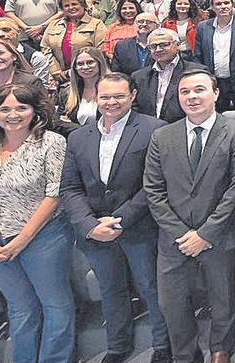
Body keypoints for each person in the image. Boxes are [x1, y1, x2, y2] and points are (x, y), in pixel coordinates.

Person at [0, 82, 75, 363]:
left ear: (35, 111)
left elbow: (54, 194)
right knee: (20, 306)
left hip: (43, 239)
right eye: (5, 108)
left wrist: (22, 240)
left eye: (21, 107)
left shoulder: (51, 142)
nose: (13, 114)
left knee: (55, 304)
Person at [60, 73, 171, 363]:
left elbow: (155, 185)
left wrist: (118, 220)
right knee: (110, 289)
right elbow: (70, 188)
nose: (111, 102)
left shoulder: (153, 129)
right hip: (96, 232)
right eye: (105, 96)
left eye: (119, 96)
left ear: (132, 96)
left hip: (139, 227)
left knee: (150, 287)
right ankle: (118, 345)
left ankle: (163, 345)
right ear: (96, 97)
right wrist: (89, 225)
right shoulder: (78, 137)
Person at [144, 69, 235, 363]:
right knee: (172, 303)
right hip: (174, 239)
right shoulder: (162, 136)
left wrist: (205, 234)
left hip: (219, 234)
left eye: (199, 90)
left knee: (223, 298)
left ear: (215, 94)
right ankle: (185, 353)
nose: (192, 97)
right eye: (185, 92)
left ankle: (221, 348)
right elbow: (153, 191)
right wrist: (182, 233)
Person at [132, 29, 206, 124]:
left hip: (184, 128)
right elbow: (135, 108)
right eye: (153, 46)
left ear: (177, 45)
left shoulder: (196, 72)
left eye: (164, 45)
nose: (158, 49)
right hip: (149, 129)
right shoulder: (139, 77)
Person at [41, 0, 109, 85]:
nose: (71, 8)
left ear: (83, 6)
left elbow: (101, 50)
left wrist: (78, 70)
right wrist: (55, 70)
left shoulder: (96, 24)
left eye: (74, 4)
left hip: (89, 75)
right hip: (60, 78)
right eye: (66, 5)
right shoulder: (53, 25)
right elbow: (45, 48)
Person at [54, 46, 109, 132]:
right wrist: (82, 131)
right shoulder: (66, 92)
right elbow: (57, 123)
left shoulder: (112, 90)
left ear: (99, 63)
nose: (85, 67)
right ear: (75, 68)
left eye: (90, 62)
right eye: (80, 64)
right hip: (77, 140)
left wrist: (73, 126)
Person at [0, 17, 52, 85]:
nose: (1, 34)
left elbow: (39, 88)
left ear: (18, 32)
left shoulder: (36, 57)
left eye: (6, 30)